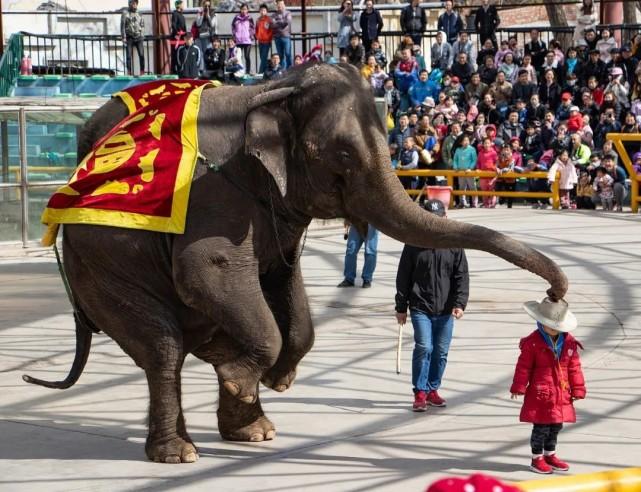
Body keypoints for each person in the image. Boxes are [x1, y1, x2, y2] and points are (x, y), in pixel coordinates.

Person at [395, 199, 469, 412]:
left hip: (446, 309)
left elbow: (461, 276)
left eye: (439, 219)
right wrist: (401, 307)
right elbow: (404, 277)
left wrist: (459, 303)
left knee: (441, 351)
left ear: (445, 218)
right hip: (420, 306)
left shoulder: (454, 243)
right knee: (424, 347)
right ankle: (419, 391)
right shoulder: (413, 244)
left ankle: (432, 389)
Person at [510, 297, 586, 474]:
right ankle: (537, 458)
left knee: (556, 425)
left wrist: (578, 388)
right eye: (548, 325)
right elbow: (523, 367)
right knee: (541, 427)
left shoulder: (568, 342)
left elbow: (574, 367)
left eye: (556, 327)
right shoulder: (533, 342)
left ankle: (550, 454)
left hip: (562, 392)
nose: (552, 329)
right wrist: (518, 386)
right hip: (541, 393)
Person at [337, 222, 379, 288]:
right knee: (351, 251)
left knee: (370, 251)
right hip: (356, 221)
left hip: (371, 222)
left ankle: (367, 279)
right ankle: (349, 279)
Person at [452, 134, 478, 207]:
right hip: (460, 171)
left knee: (472, 187)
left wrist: (470, 168)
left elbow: (474, 160)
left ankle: (474, 203)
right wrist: (455, 167)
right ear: (460, 142)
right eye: (464, 141)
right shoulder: (458, 150)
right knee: (461, 188)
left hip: (469, 171)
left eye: (467, 140)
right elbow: (455, 160)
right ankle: (462, 202)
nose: (466, 142)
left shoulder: (472, 149)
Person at [121, 0, 145, 76]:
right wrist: (123, 37)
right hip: (129, 37)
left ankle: (142, 71)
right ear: (129, 3)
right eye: (133, 3)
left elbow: (142, 24)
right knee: (128, 56)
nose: (134, 5)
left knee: (141, 55)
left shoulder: (140, 13)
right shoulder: (125, 13)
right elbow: (122, 26)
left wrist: (142, 34)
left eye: (135, 3)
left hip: (139, 37)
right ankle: (129, 72)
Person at [194, 0, 217, 72]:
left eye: (208, 6)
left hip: (208, 37)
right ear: (203, 6)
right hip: (199, 36)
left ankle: (206, 70)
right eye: (205, 6)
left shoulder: (212, 13)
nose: (207, 7)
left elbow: (212, 24)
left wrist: (208, 16)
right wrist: (202, 15)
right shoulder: (200, 12)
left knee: (207, 53)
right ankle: (201, 70)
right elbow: (198, 24)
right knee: (200, 53)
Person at [232, 3, 255, 75]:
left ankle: (247, 72)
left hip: (247, 41)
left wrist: (251, 35)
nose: (244, 11)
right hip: (238, 41)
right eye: (242, 9)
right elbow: (233, 27)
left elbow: (252, 28)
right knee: (238, 57)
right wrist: (234, 35)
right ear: (240, 10)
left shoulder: (250, 18)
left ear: (247, 10)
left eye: (245, 9)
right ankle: (239, 71)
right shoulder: (236, 17)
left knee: (247, 56)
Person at [272, 0, 292, 69]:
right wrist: (281, 22)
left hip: (286, 36)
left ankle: (290, 69)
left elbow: (287, 22)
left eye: (281, 4)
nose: (279, 5)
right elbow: (273, 24)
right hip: (277, 37)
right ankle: (282, 70)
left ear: (284, 5)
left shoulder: (288, 13)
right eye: (278, 4)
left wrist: (278, 22)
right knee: (280, 55)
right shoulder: (274, 15)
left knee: (288, 54)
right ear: (277, 5)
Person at [255, 4, 273, 75]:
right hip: (260, 41)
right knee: (262, 58)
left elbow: (271, 30)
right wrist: (257, 36)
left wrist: (268, 37)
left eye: (264, 10)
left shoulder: (269, 19)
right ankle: (266, 73)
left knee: (264, 57)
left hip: (267, 41)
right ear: (259, 11)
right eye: (261, 10)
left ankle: (260, 73)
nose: (263, 12)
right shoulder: (258, 20)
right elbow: (256, 29)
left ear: (266, 11)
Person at [170, 0, 187, 74]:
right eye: (182, 5)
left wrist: (185, 34)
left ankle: (181, 69)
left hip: (182, 38)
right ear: (179, 5)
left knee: (181, 54)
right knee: (175, 55)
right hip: (176, 38)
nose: (183, 6)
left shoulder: (182, 15)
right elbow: (174, 25)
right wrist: (177, 33)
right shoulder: (175, 14)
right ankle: (174, 71)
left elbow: (184, 27)